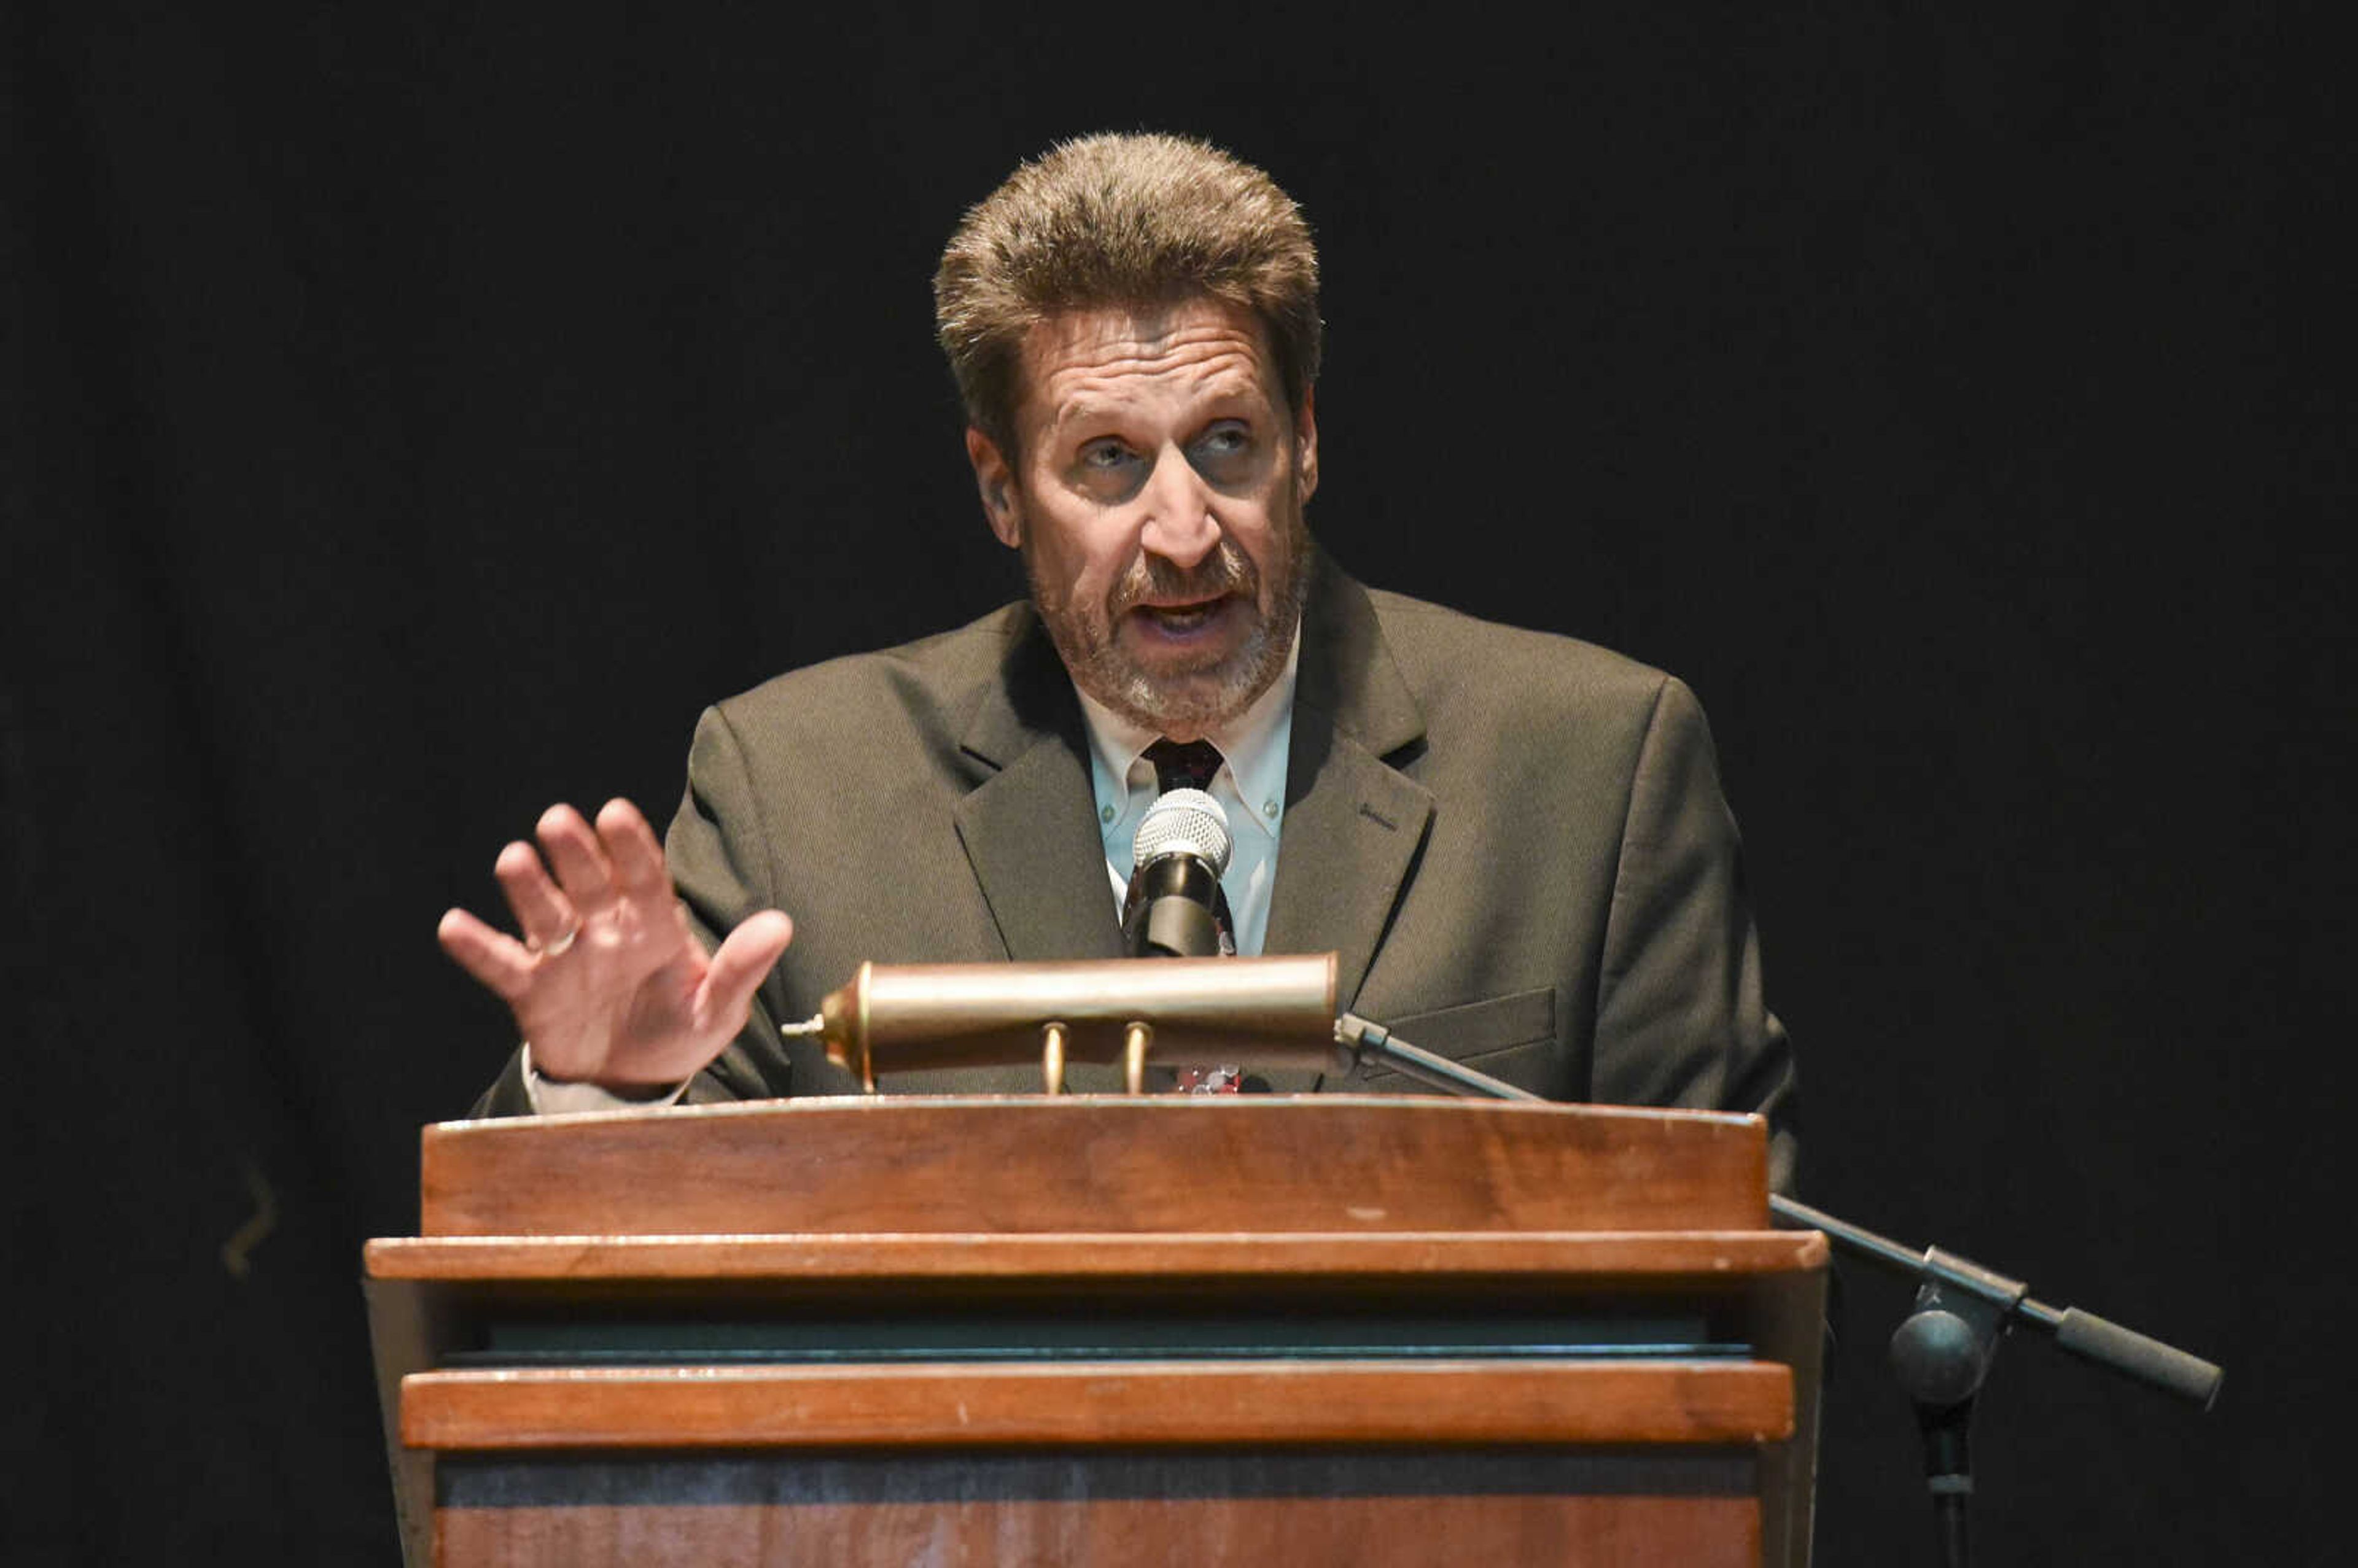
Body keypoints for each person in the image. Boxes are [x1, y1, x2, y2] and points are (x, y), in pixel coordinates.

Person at [437, 131, 1797, 1188]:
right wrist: (603, 1097)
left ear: (1306, 441)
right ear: (999, 491)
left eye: (1227, 441)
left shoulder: (1592, 767)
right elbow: (627, 1325)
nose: (1185, 528)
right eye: (1109, 461)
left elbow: (1742, 1295)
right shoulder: (800, 792)